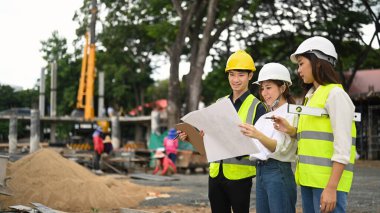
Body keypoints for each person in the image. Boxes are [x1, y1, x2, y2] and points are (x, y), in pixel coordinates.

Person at [274, 36, 357, 213]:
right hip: (308, 181)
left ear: (318, 62)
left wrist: (331, 188)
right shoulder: (311, 97)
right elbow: (317, 135)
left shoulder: (335, 94)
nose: (299, 70)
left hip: (327, 185)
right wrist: (292, 131)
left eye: (301, 63)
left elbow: (343, 147)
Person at [179, 50, 267, 213]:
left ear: (250, 76)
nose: (235, 80)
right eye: (232, 74)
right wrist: (192, 138)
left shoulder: (258, 107)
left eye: (240, 75)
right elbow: (210, 142)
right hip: (215, 175)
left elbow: (262, 145)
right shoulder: (220, 103)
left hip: (240, 176)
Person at [239, 63, 297, 213]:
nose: (264, 93)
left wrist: (257, 134)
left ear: (283, 88)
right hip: (261, 171)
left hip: (278, 171)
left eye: (269, 87)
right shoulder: (264, 117)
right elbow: (252, 147)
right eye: (262, 88)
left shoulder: (291, 114)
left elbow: (278, 148)